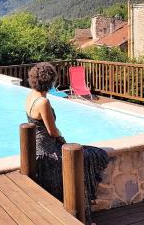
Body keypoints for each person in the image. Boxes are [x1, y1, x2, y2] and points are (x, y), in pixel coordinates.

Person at [25, 62, 109, 224]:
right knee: (92, 157)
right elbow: (52, 131)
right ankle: (83, 213)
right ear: (49, 81)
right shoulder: (43, 102)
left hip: (38, 148)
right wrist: (62, 139)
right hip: (49, 151)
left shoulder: (31, 96)